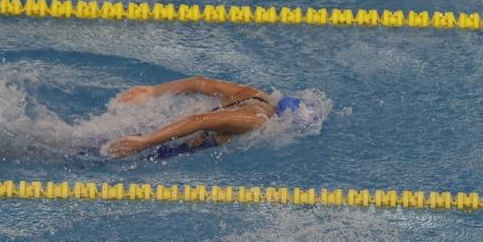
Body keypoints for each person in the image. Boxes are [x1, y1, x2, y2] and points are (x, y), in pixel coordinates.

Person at [101, 76, 321, 160]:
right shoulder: (258, 120)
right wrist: (145, 142)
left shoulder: (255, 94)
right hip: (158, 142)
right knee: (88, 153)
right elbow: (201, 121)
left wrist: (153, 90)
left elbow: (198, 82)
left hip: (159, 123)